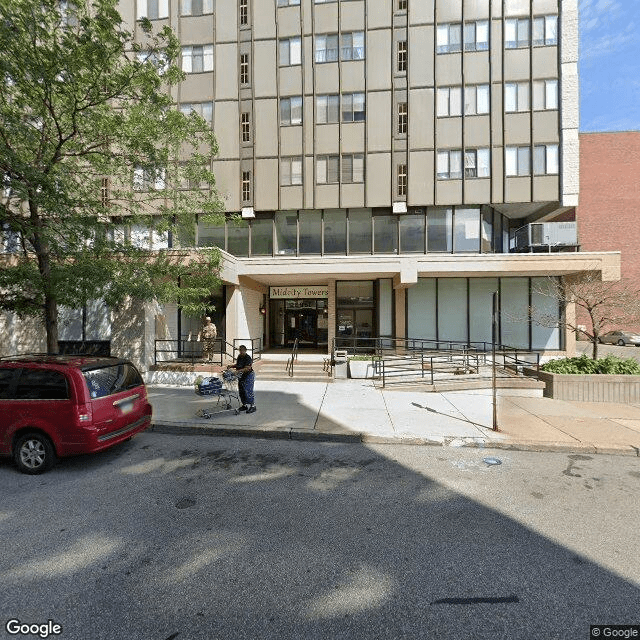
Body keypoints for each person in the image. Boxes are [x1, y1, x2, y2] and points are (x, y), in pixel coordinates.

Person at [227, 344, 256, 413]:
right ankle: (244, 405)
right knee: (241, 391)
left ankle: (253, 406)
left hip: (248, 375)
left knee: (248, 390)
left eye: (242, 351)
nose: (241, 352)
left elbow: (247, 368)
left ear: (245, 350)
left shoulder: (248, 358)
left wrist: (238, 371)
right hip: (241, 376)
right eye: (240, 351)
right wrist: (232, 366)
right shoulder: (239, 356)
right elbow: (239, 365)